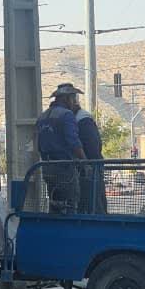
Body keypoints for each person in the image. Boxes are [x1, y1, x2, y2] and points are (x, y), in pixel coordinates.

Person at [36, 83, 86, 212]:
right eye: (73, 98)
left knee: (54, 203)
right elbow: (73, 141)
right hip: (65, 168)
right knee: (70, 204)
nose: (74, 102)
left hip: (47, 168)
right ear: (66, 98)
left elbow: (39, 144)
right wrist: (85, 161)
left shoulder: (42, 117)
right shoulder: (66, 115)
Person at [72, 95, 107, 214]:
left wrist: (88, 163)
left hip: (90, 167)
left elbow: (92, 145)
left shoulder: (82, 120)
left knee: (93, 200)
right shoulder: (79, 118)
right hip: (89, 165)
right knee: (92, 199)